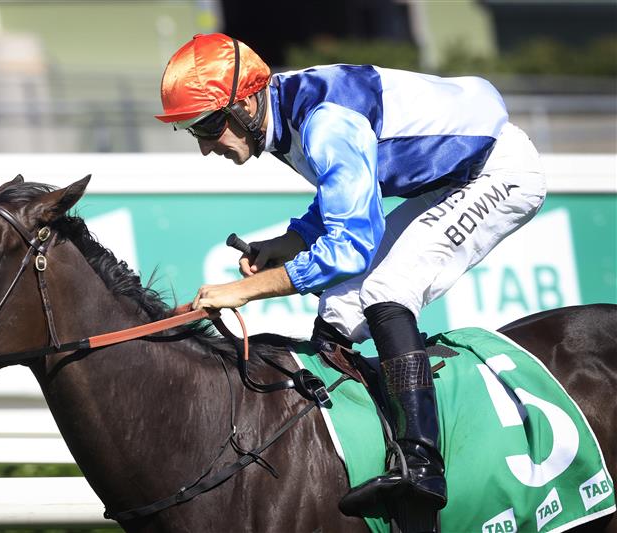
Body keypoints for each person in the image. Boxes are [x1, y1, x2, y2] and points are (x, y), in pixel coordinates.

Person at [154, 33, 546, 517]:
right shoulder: (281, 116)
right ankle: (345, 447)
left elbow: (350, 249)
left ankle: (423, 466)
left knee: (385, 288)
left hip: (498, 172)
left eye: (211, 124)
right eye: (194, 130)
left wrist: (244, 291)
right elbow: (345, 199)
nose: (207, 146)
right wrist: (286, 243)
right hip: (448, 177)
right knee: (338, 307)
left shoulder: (323, 123)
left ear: (248, 101)